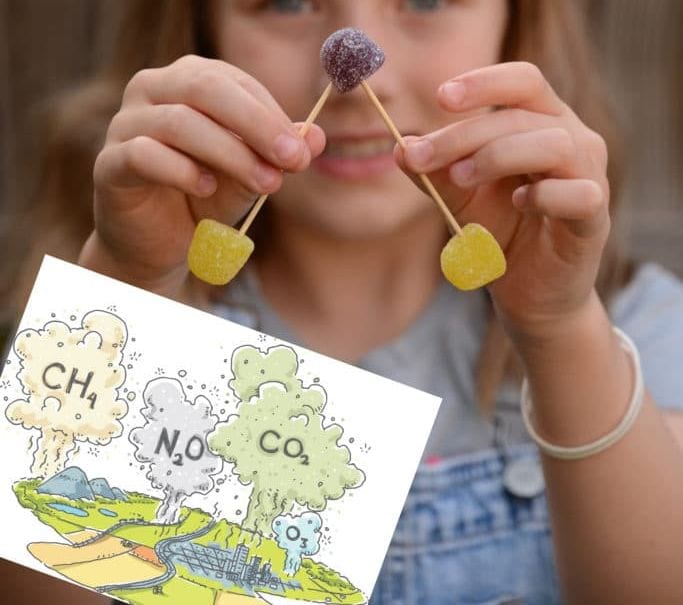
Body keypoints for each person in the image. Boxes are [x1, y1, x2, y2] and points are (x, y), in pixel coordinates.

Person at [7, 1, 683, 603]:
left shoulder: (636, 328)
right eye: (286, 3)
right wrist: (127, 281)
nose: (360, 82)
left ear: (516, 21)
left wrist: (558, 327)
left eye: (426, 0)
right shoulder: (90, 325)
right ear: (198, 27)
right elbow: (38, 568)